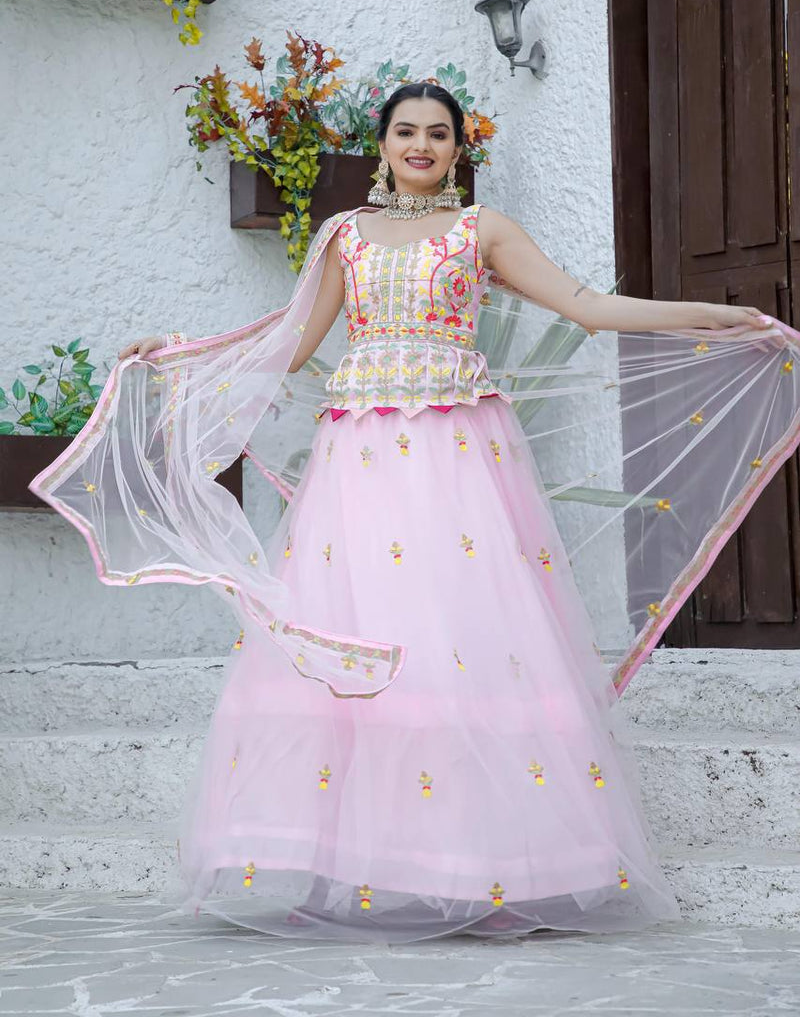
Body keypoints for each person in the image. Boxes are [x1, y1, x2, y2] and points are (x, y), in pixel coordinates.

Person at [39, 83, 798, 943]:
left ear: (457, 150)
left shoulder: (485, 232)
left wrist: (718, 318)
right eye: (408, 132)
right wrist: (176, 356)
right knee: (364, 634)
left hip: (457, 461)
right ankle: (355, 863)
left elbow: (586, 308)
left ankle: (482, 865)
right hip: (358, 463)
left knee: (459, 637)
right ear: (384, 142)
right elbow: (288, 345)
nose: (423, 146)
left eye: (439, 134)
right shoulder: (344, 237)